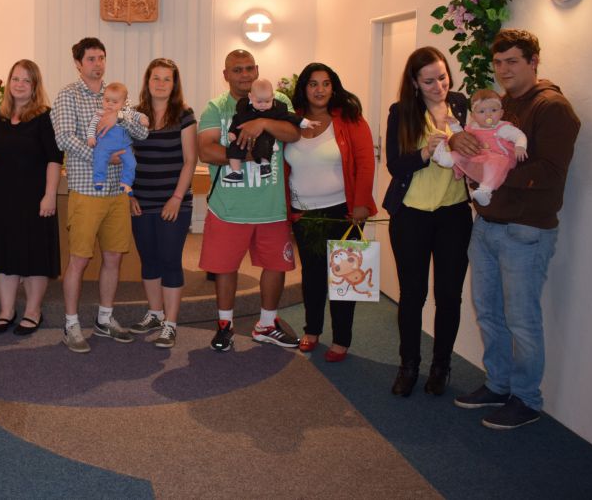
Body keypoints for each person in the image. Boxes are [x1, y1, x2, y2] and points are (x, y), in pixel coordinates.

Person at [452, 29, 579, 430]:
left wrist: (494, 171)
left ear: (533, 62)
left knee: (521, 320)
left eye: (512, 61)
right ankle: (498, 384)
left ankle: (526, 399)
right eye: (498, 62)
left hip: (525, 232)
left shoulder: (552, 107)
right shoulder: (502, 104)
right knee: (488, 313)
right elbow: (481, 142)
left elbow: (551, 172)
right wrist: (464, 147)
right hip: (487, 225)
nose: (504, 69)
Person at [197, 49, 301, 352]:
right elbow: (206, 150)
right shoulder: (216, 107)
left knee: (276, 266)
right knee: (225, 268)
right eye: (237, 69)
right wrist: (251, 154)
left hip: (271, 207)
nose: (244, 75)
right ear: (225, 75)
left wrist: (263, 123)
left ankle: (267, 325)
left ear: (257, 70)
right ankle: (225, 326)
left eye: (248, 68)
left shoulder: (278, 100)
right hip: (228, 208)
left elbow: (293, 133)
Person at [382, 46, 471, 397]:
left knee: (449, 296)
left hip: (454, 214)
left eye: (443, 78)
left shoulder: (461, 104)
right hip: (411, 215)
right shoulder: (401, 111)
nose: (439, 87)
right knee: (413, 295)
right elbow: (394, 165)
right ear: (415, 83)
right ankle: (409, 365)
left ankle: (441, 366)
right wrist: (425, 152)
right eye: (429, 81)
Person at [53, 37, 149, 353]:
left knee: (113, 257)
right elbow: (65, 138)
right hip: (86, 190)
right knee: (79, 260)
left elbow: (141, 132)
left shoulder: (116, 94)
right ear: (78, 64)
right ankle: (71, 324)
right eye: (91, 59)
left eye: (101, 58)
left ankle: (105, 319)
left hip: (116, 192)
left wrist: (120, 116)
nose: (98, 64)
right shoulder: (68, 95)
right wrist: (104, 158)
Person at [284, 63, 376, 362]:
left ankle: (341, 340)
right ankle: (312, 331)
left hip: (343, 213)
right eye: (313, 84)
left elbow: (366, 163)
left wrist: (361, 203)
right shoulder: (291, 120)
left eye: (325, 83)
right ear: (304, 88)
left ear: (333, 87)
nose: (320, 90)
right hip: (304, 214)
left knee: (345, 279)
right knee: (312, 276)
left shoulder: (350, 119)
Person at [0, 60, 63, 335]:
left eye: (26, 80)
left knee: (34, 254)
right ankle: (6, 310)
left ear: (35, 86)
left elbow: (54, 158)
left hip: (34, 198)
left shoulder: (44, 116)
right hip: (2, 198)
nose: (19, 84)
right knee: (4, 253)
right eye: (15, 78)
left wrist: (50, 195)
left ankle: (32, 311)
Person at [128, 58, 197, 349]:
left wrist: (176, 198)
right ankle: (155, 314)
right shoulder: (134, 115)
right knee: (149, 259)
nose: (160, 83)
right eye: (155, 77)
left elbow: (190, 160)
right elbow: (128, 158)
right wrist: (130, 195)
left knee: (169, 260)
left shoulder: (184, 115)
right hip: (141, 201)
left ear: (174, 84)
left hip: (174, 202)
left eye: (166, 79)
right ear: (147, 81)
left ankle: (170, 323)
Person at [432, 88, 528, 206]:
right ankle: (446, 158)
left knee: (495, 163)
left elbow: (519, 135)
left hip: (502, 161)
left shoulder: (503, 128)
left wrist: (520, 146)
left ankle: (485, 191)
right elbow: (462, 136)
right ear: (473, 116)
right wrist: (454, 125)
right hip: (482, 159)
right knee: (463, 152)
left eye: (493, 110)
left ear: (501, 113)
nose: (488, 114)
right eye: (482, 111)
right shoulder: (473, 127)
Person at [226, 78, 316, 182]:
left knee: (263, 142)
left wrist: (305, 122)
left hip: (266, 138)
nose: (263, 104)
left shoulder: (277, 109)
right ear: (250, 97)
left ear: (273, 97)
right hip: (244, 138)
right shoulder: (244, 107)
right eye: (259, 101)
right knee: (233, 147)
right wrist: (232, 132)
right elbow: (237, 119)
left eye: (267, 101)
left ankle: (265, 165)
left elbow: (290, 117)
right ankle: (236, 172)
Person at [86, 81, 147, 194]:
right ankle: (98, 180)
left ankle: (126, 183)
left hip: (124, 146)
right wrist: (90, 137)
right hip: (104, 145)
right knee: (99, 158)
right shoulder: (99, 113)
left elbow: (136, 115)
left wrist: (143, 118)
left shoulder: (125, 113)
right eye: (107, 100)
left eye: (114, 102)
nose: (109, 104)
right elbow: (92, 126)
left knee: (131, 163)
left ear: (123, 103)